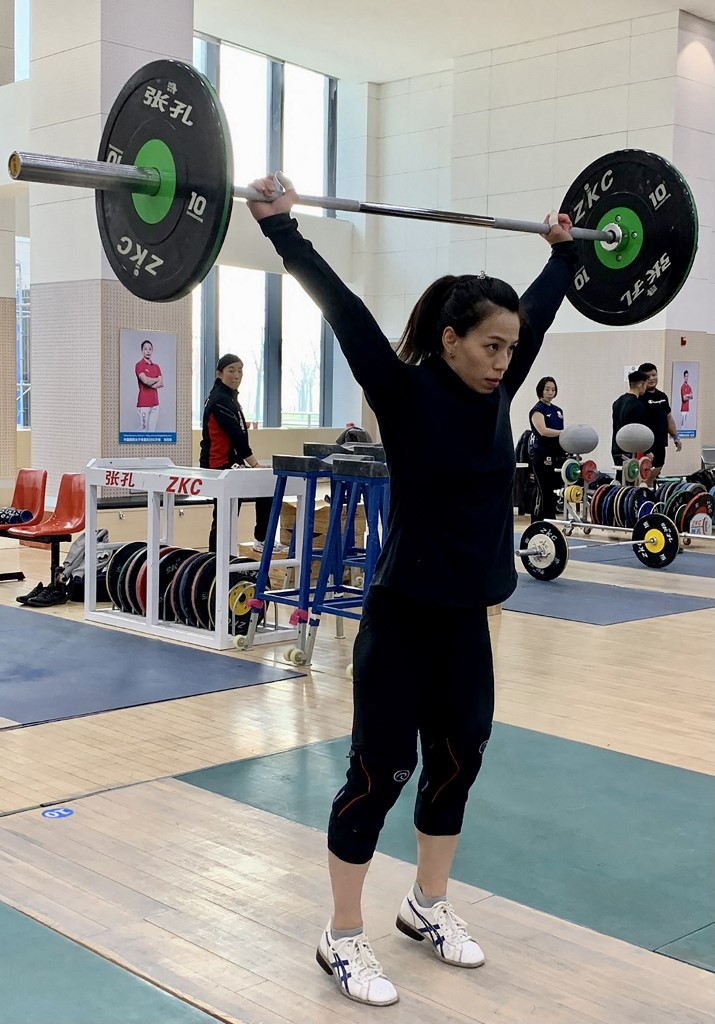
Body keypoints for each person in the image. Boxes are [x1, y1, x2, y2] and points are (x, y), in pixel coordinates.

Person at [247, 171, 576, 1007]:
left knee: (457, 763)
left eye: (511, 347)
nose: (506, 359)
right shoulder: (405, 391)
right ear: (451, 338)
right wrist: (283, 231)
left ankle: (425, 906)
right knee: (378, 774)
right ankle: (341, 936)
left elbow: (540, 305)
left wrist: (565, 253)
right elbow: (346, 312)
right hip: (401, 620)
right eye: (491, 346)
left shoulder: (494, 391)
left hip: (469, 619)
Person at [199, 353, 286, 555]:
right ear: (219, 374)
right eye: (231, 370)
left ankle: (255, 542)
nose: (236, 375)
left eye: (240, 370)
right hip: (220, 466)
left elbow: (237, 435)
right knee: (227, 513)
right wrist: (255, 465)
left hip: (230, 464)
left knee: (229, 513)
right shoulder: (221, 400)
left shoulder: (227, 397)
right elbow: (237, 436)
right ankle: (219, 557)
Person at [637, 362, 682, 485]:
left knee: (656, 469)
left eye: (654, 375)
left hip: (660, 443)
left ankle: (649, 493)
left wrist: (676, 437)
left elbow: (668, 417)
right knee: (642, 476)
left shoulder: (662, 396)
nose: (651, 378)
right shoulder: (639, 397)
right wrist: (645, 449)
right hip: (645, 445)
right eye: (648, 376)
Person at [528, 376, 564, 521]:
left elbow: (559, 432)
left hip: (556, 454)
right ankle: (537, 519)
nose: (550, 392)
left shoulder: (558, 411)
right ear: (540, 391)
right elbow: (543, 431)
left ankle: (551, 516)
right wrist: (563, 433)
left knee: (554, 489)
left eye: (553, 389)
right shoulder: (537, 410)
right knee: (543, 489)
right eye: (547, 389)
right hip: (541, 454)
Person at [611, 370, 650, 480]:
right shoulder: (637, 405)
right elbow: (638, 431)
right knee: (629, 481)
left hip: (616, 447)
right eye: (645, 385)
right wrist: (647, 451)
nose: (645, 388)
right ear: (641, 385)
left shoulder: (617, 402)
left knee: (620, 478)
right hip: (629, 450)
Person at [135, 339, 163, 431]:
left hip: (155, 404)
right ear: (142, 351)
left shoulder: (156, 367)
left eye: (150, 349)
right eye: (145, 349)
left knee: (152, 432)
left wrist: (149, 382)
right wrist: (156, 379)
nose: (148, 351)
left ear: (152, 351)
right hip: (143, 404)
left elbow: (161, 383)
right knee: (143, 431)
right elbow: (145, 380)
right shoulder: (139, 365)